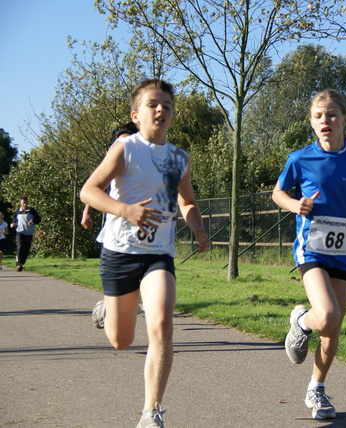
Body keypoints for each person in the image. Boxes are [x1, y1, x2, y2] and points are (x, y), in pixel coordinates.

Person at [80, 78, 209, 428]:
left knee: (163, 324)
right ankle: (108, 308)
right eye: (153, 104)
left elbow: (187, 200)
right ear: (137, 115)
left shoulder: (179, 157)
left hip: (158, 254)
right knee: (122, 341)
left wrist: (197, 226)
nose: (160, 110)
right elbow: (88, 191)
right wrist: (126, 210)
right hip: (120, 251)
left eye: (167, 105)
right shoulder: (126, 148)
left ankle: (152, 412)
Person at [271, 89, 346, 420]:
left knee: (333, 327)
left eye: (332, 114)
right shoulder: (300, 158)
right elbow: (278, 193)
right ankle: (301, 320)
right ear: (311, 121)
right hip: (312, 249)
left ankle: (317, 389)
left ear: (345, 119)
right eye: (319, 115)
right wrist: (295, 204)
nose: (326, 120)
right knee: (327, 314)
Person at [81, 122, 139, 229]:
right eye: (120, 141)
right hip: (118, 225)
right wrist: (87, 211)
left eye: (127, 140)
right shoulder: (116, 156)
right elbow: (93, 188)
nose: (123, 144)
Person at [11, 197, 42, 271]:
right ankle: (19, 264)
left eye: (26, 203)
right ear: (20, 203)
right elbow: (14, 219)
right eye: (23, 203)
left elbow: (39, 219)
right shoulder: (18, 211)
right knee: (20, 247)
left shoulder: (32, 210)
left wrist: (33, 221)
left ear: (27, 203)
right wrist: (13, 224)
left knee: (26, 249)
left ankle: (22, 262)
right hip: (20, 231)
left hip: (29, 232)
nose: (24, 204)